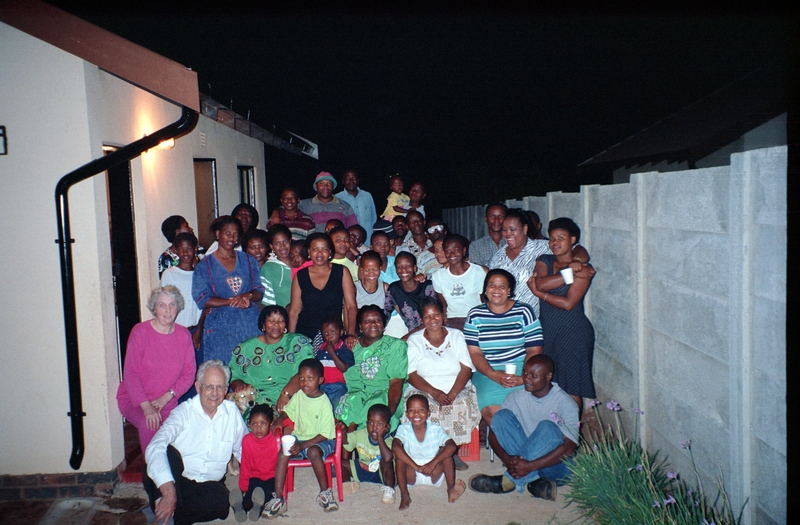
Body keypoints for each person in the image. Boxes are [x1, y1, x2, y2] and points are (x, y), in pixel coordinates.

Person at [143, 360, 247, 525]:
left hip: (209, 485)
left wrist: (260, 478)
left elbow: (244, 450)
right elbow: (156, 445)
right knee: (164, 456)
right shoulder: (183, 412)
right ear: (198, 387)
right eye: (209, 386)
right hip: (178, 479)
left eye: (219, 387)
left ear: (226, 389)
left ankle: (161, 514)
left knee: (221, 503)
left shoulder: (232, 413)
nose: (214, 393)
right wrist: (169, 492)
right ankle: (167, 508)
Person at [468, 355, 578, 499]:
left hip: (554, 466)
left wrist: (529, 466)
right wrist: (507, 459)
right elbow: (494, 433)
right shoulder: (516, 397)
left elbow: (569, 448)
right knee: (501, 417)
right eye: (525, 373)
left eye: (534, 375)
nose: (527, 378)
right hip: (524, 461)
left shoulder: (566, 403)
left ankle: (508, 481)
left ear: (549, 376)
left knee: (548, 427)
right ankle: (535, 483)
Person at [117, 286, 196, 452]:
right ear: (154, 308)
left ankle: (174, 475)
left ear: (178, 307)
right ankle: (152, 475)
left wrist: (166, 398)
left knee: (182, 434)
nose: (167, 310)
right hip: (137, 400)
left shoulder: (183, 335)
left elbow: (189, 374)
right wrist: (147, 407)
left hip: (167, 401)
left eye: (172, 304)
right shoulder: (140, 332)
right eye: (162, 305)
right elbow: (131, 375)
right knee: (151, 425)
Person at [530, 217, 596, 412]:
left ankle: (572, 436)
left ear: (573, 240)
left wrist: (540, 294)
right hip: (548, 331)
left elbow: (568, 304)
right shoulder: (545, 260)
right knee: (548, 383)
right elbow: (541, 282)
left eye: (561, 238)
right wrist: (568, 273)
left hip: (573, 333)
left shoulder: (583, 268)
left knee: (571, 387)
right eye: (552, 239)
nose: (555, 243)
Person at [463, 269, 543, 425]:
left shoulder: (524, 311)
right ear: (485, 290)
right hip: (487, 370)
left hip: (523, 367)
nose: (497, 290)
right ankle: (510, 448)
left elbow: (534, 349)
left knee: (529, 411)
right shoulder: (475, 315)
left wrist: (524, 377)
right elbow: (475, 353)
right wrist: (493, 374)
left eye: (502, 286)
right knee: (495, 414)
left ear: (509, 291)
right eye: (492, 285)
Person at [404, 298, 480, 452]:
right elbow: (411, 374)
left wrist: (452, 395)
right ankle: (432, 449)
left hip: (457, 388)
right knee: (422, 407)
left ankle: (451, 451)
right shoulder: (414, 341)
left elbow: (466, 368)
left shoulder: (456, 336)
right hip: (424, 390)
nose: (433, 320)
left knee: (461, 404)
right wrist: (434, 393)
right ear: (422, 319)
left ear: (443, 315)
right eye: (427, 316)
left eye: (436, 315)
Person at [266, 359, 339, 516]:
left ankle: (325, 493)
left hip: (321, 441)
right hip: (300, 439)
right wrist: (280, 418)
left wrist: (303, 445)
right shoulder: (299, 395)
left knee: (313, 451)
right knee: (283, 452)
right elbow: (288, 411)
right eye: (301, 378)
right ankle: (278, 498)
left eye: (310, 379)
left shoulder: (324, 402)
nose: (305, 382)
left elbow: (325, 433)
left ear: (320, 380)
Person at [488, 208, 589, 316]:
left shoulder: (543, 247)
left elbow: (577, 249)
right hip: (505, 318)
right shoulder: (498, 257)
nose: (507, 234)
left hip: (533, 320)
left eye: (512, 229)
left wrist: (576, 261)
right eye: (504, 229)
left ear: (525, 228)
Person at [192, 216, 264, 364]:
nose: (232, 237)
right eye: (228, 233)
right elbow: (202, 298)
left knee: (251, 367)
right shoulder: (205, 265)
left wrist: (247, 296)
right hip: (220, 327)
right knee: (222, 370)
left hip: (248, 322)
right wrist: (230, 301)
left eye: (236, 234)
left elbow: (258, 291)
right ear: (218, 234)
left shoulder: (248, 261)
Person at [337, 305, 408, 432]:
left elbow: (396, 383)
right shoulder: (351, 347)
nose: (373, 324)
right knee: (344, 415)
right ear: (360, 326)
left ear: (384, 324)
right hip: (357, 397)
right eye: (367, 321)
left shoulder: (395, 346)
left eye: (377, 320)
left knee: (375, 410)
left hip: (386, 397)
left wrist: (387, 414)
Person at [229, 305, 314, 409]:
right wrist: (239, 385)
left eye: (281, 320)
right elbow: (234, 376)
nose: (276, 324)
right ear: (263, 325)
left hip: (293, 398)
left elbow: (306, 372)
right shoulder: (245, 348)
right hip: (257, 403)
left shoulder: (298, 343)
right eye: (271, 320)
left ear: (286, 325)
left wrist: (285, 394)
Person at [392, 394, 466, 510]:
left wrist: (432, 464)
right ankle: (404, 495)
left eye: (421, 410)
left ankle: (451, 488)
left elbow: (452, 446)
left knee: (446, 452)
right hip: (412, 473)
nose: (416, 414)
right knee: (399, 457)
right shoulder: (403, 429)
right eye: (412, 410)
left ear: (428, 413)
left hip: (433, 472)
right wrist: (416, 467)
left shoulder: (436, 429)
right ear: (407, 414)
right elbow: (395, 447)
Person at [288, 232, 358, 351]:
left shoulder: (341, 271)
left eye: (324, 249)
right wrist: (290, 338)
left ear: (330, 252)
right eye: (315, 249)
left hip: (334, 334)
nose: (319, 253)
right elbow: (294, 311)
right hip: (306, 333)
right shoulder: (300, 276)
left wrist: (350, 333)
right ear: (309, 252)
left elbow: (351, 305)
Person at [231, 404, 279, 522]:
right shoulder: (247, 440)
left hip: (272, 477)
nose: (258, 428)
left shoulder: (275, 440)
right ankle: (241, 507)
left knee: (268, 494)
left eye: (263, 424)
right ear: (249, 424)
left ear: (271, 424)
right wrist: (243, 486)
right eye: (254, 424)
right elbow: (245, 465)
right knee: (251, 493)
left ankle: (257, 507)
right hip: (255, 476)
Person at [341, 404, 396, 505]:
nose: (374, 427)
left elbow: (388, 458)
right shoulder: (360, 434)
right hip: (363, 468)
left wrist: (380, 438)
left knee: (386, 462)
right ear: (366, 423)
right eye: (371, 423)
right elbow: (345, 442)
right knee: (342, 464)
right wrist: (343, 432)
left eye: (379, 424)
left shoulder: (390, 441)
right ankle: (347, 484)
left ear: (387, 427)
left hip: (381, 474)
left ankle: (389, 489)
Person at [432, 233, 487, 330]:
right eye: (448, 251)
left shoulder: (477, 272)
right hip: (452, 322)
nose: (452, 254)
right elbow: (443, 305)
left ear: (464, 251)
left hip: (476, 319)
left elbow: (484, 300)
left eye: (456, 250)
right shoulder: (438, 276)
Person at [384, 252, 436, 337]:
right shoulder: (394, 289)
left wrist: (408, 336)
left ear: (414, 268)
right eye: (399, 267)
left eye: (408, 266)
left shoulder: (428, 287)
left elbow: (434, 318)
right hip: (414, 338)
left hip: (433, 333)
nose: (403, 270)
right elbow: (385, 314)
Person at [160, 233, 203, 332]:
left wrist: (199, 330)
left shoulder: (199, 275)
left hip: (195, 328)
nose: (185, 253)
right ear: (175, 251)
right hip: (174, 328)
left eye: (188, 249)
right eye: (181, 249)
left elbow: (202, 305)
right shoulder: (169, 274)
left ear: (195, 249)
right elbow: (164, 303)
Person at [317, 315, 354, 407]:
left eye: (333, 332)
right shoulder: (321, 348)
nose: (329, 336)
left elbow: (343, 368)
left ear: (341, 332)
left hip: (338, 386)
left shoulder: (344, 348)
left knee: (335, 408)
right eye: (325, 333)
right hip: (322, 385)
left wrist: (332, 353)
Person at [335, 170, 377, 245]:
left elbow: (374, 218)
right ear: (343, 181)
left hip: (368, 241)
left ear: (358, 180)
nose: (351, 181)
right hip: (348, 243)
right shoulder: (337, 198)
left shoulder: (367, 196)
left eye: (353, 178)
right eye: (348, 179)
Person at [260, 225, 293, 308]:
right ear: (272, 246)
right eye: (277, 243)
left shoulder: (300, 263)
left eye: (285, 241)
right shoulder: (268, 268)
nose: (282, 246)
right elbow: (268, 302)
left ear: (290, 241)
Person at [469, 203, 507, 267]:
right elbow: (477, 272)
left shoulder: (513, 243)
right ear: (486, 219)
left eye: (500, 216)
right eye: (492, 216)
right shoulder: (475, 246)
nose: (496, 220)